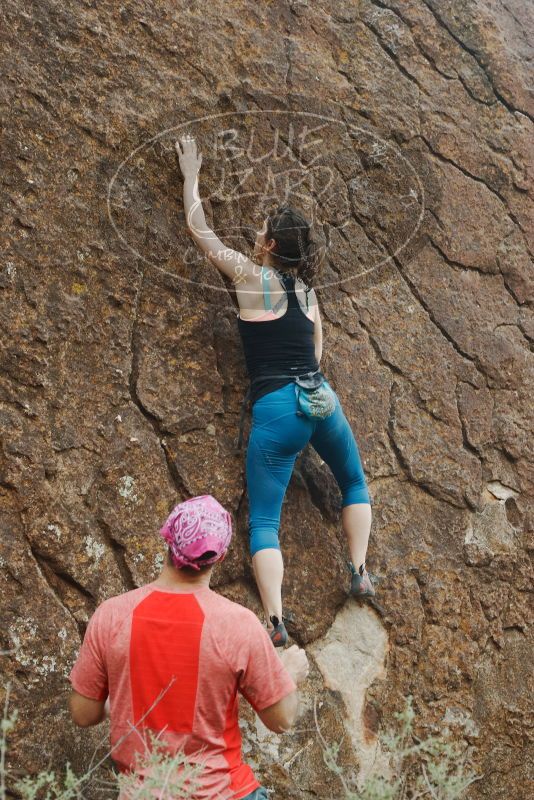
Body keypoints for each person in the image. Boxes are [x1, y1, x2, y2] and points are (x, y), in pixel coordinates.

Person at [175, 135, 375, 648]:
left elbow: (201, 230)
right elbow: (318, 348)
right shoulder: (307, 293)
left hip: (278, 404)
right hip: (320, 398)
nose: (256, 233)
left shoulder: (248, 275)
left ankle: (277, 622)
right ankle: (358, 570)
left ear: (267, 246)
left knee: (265, 519)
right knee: (353, 481)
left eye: (261, 230)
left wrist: (191, 175)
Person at [68, 495, 309, 800]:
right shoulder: (237, 624)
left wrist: (120, 697)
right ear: (219, 557)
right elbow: (282, 719)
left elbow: (82, 712)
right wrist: (288, 674)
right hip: (223, 792)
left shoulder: (112, 615)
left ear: (167, 538)